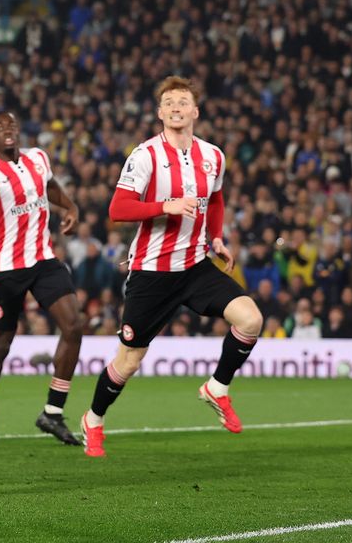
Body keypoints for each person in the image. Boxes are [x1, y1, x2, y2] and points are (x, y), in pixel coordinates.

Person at [82, 76, 263, 457]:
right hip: (152, 271)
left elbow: (215, 199)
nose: (176, 107)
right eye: (169, 102)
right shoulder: (146, 155)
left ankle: (217, 388)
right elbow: (118, 209)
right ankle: (94, 419)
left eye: (183, 101)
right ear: (160, 112)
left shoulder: (213, 156)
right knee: (129, 360)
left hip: (196, 265)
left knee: (250, 320)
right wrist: (165, 206)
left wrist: (216, 237)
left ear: (195, 111)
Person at [0, 111, 83, 446]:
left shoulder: (39, 157)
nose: (6, 129)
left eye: (10, 124)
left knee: (73, 326)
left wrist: (70, 208)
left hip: (43, 260)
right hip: (6, 269)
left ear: (18, 130)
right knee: (1, 344)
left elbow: (50, 185)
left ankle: (52, 413)